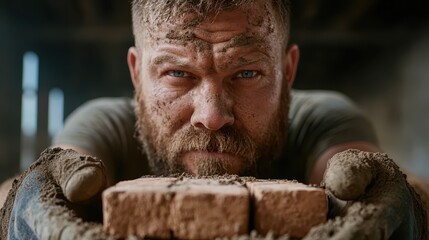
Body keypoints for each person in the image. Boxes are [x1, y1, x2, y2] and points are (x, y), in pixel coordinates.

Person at [0, 0, 428, 239]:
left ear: (288, 71)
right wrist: (21, 203)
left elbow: (368, 178)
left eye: (245, 73)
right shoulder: (104, 124)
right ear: (136, 73)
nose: (212, 116)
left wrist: (408, 203)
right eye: (177, 74)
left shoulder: (323, 118)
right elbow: (45, 182)